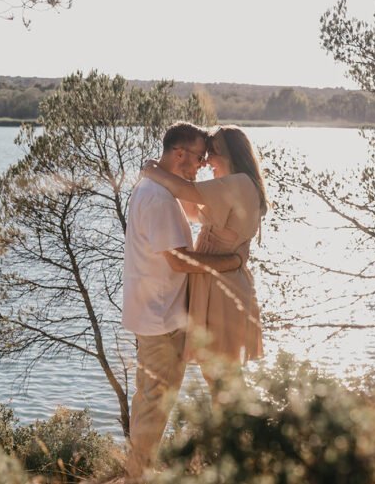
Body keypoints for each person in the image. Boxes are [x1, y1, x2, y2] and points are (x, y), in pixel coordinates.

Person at [122, 122, 247, 481]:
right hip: (161, 321)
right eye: (197, 158)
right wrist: (230, 264)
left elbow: (197, 211)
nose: (201, 166)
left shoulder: (157, 189)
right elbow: (178, 260)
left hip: (152, 315)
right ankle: (137, 477)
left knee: (147, 401)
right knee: (153, 407)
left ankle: (136, 473)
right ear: (179, 154)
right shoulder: (159, 198)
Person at [140, 124, 266, 391]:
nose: (207, 161)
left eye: (213, 152)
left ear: (232, 153)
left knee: (223, 377)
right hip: (215, 283)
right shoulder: (230, 189)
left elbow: (182, 191)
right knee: (217, 376)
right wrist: (188, 174)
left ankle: (238, 431)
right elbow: (191, 210)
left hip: (223, 289)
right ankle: (234, 431)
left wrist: (152, 170)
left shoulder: (240, 183)